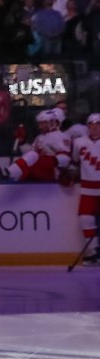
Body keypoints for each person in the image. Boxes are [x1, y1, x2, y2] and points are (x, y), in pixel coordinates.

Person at [70, 113, 100, 265]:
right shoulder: (79, 142)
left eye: (98, 124)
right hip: (87, 188)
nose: (94, 127)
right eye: (91, 124)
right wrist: (70, 174)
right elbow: (75, 163)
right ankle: (92, 252)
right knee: (85, 219)